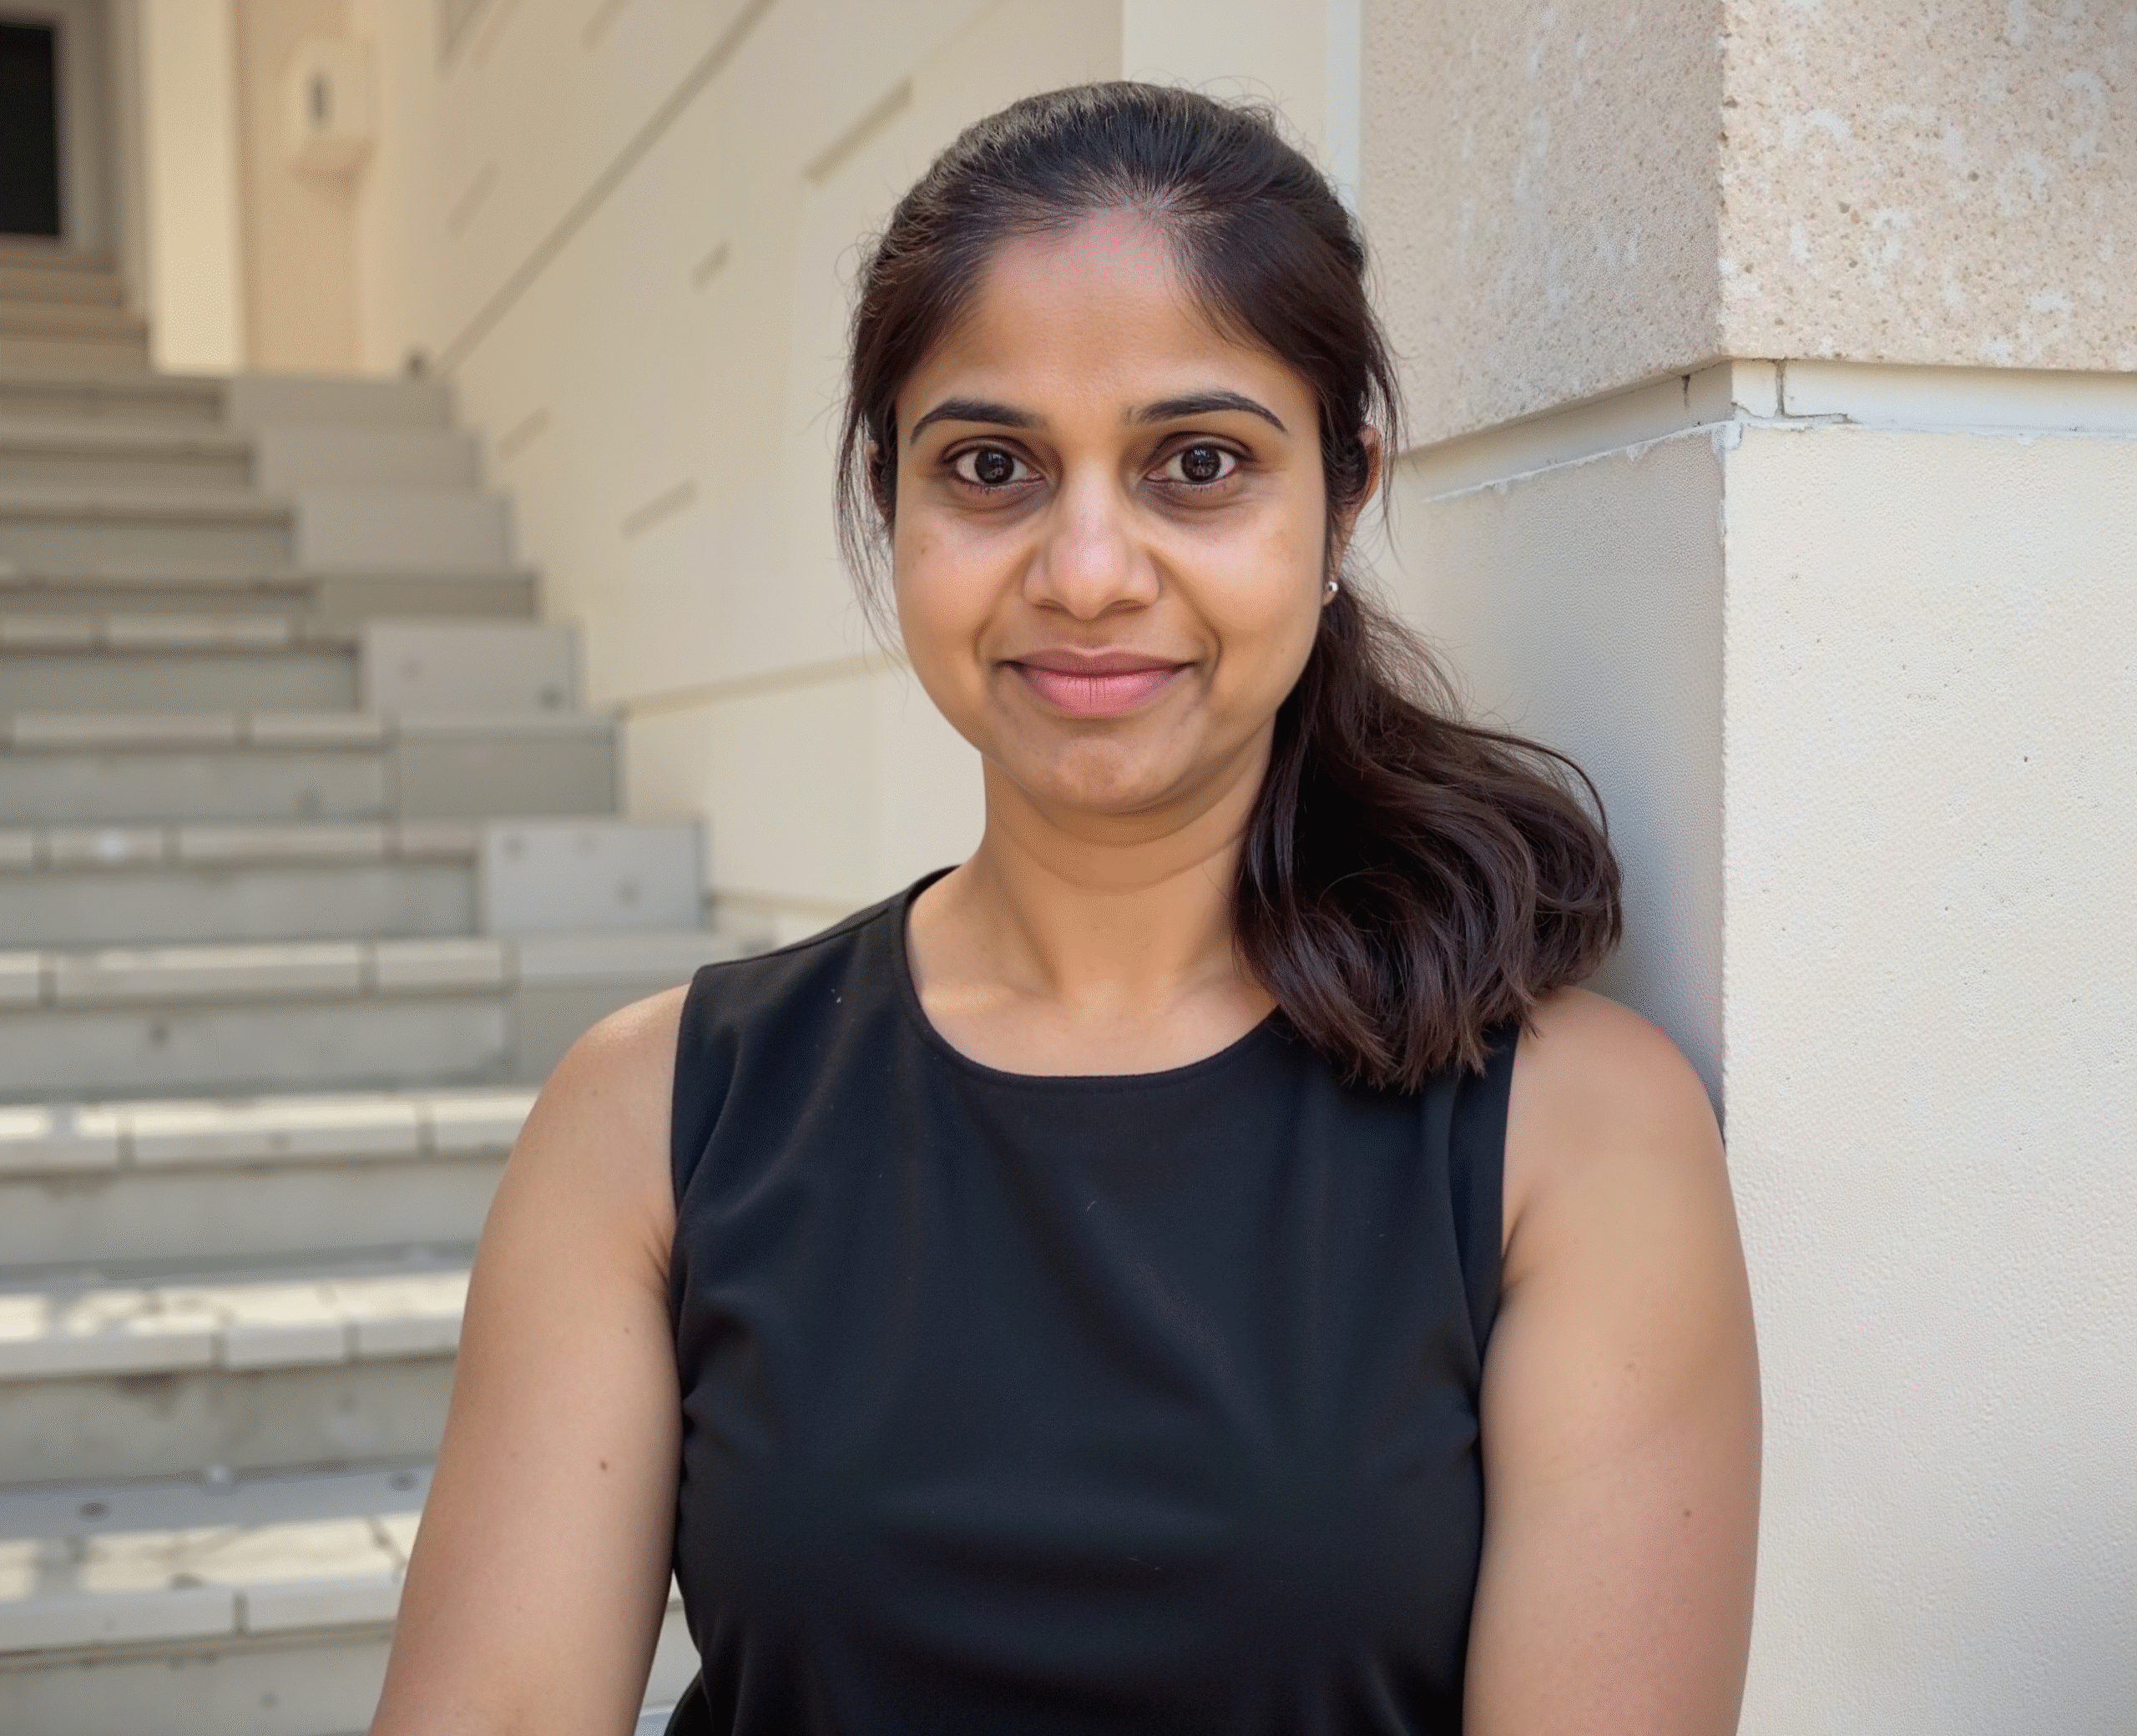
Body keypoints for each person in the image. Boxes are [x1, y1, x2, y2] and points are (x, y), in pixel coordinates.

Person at [370, 83, 1760, 1736]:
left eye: (1195, 464)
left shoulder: (1568, 1133)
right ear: (891, 500)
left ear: (1343, 489)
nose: (1087, 566)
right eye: (990, 466)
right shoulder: (654, 1113)